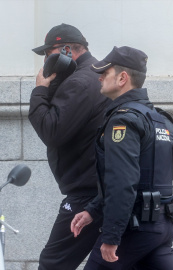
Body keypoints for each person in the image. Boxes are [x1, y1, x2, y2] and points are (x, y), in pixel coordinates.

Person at [70, 46, 173, 270]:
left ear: (123, 78)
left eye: (105, 72)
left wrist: (112, 236)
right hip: (162, 225)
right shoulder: (157, 118)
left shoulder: (123, 121)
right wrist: (93, 210)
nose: (100, 77)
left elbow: (121, 181)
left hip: (135, 228)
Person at [28, 23, 111, 270]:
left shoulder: (80, 82)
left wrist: (41, 89)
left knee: (53, 262)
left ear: (65, 51)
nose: (45, 61)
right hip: (101, 188)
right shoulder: (96, 74)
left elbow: (51, 131)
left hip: (86, 193)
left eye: (48, 53)